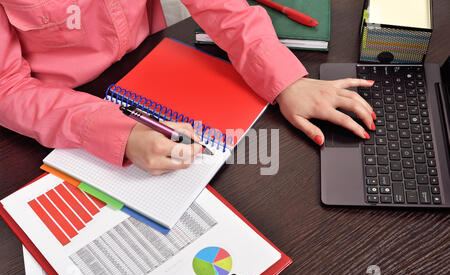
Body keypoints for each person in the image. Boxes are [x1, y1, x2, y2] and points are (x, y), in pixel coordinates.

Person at [0, 0, 375, 175]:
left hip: (151, 64)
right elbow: (6, 88)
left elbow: (221, 7)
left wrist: (285, 79)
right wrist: (115, 132)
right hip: (49, 113)